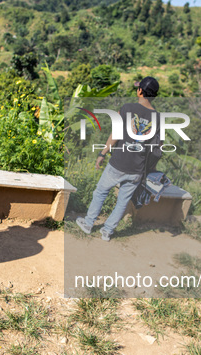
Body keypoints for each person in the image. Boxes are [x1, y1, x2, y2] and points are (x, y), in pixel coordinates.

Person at [76, 77, 160, 241]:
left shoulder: (127, 108)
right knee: (123, 201)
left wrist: (102, 153)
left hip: (118, 163)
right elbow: (156, 149)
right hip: (137, 169)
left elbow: (115, 134)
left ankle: (88, 223)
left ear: (140, 91)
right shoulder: (158, 118)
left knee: (101, 191)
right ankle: (107, 231)